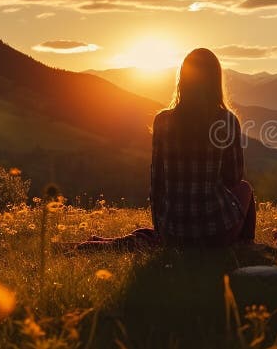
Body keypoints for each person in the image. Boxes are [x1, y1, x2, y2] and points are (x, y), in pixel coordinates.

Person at [75, 48, 255, 251]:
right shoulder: (227, 121)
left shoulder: (162, 121)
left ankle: (90, 245)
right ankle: (245, 246)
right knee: (245, 188)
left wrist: (163, 229)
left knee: (144, 236)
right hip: (215, 235)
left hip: (174, 233)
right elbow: (235, 177)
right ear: (215, 81)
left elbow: (157, 183)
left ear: (183, 80)